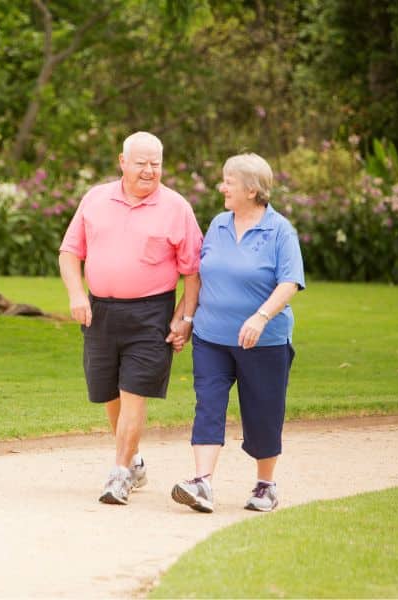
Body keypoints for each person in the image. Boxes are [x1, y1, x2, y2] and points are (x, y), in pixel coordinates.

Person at [59, 131, 203, 505]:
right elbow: (70, 252)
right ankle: (135, 462)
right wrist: (77, 295)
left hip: (151, 314)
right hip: (100, 311)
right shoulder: (95, 199)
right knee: (109, 394)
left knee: (134, 393)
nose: (149, 171)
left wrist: (184, 317)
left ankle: (119, 474)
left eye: (156, 163)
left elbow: (194, 271)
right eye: (141, 163)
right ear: (122, 162)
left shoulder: (176, 208)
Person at [170, 152, 305, 514]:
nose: (221, 187)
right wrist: (185, 318)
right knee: (208, 405)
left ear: (251, 188)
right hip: (211, 337)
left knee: (263, 412)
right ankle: (202, 483)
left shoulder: (280, 230)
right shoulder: (217, 224)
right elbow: (199, 276)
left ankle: (265, 485)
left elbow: (290, 282)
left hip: (264, 342)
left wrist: (260, 317)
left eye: (228, 181)